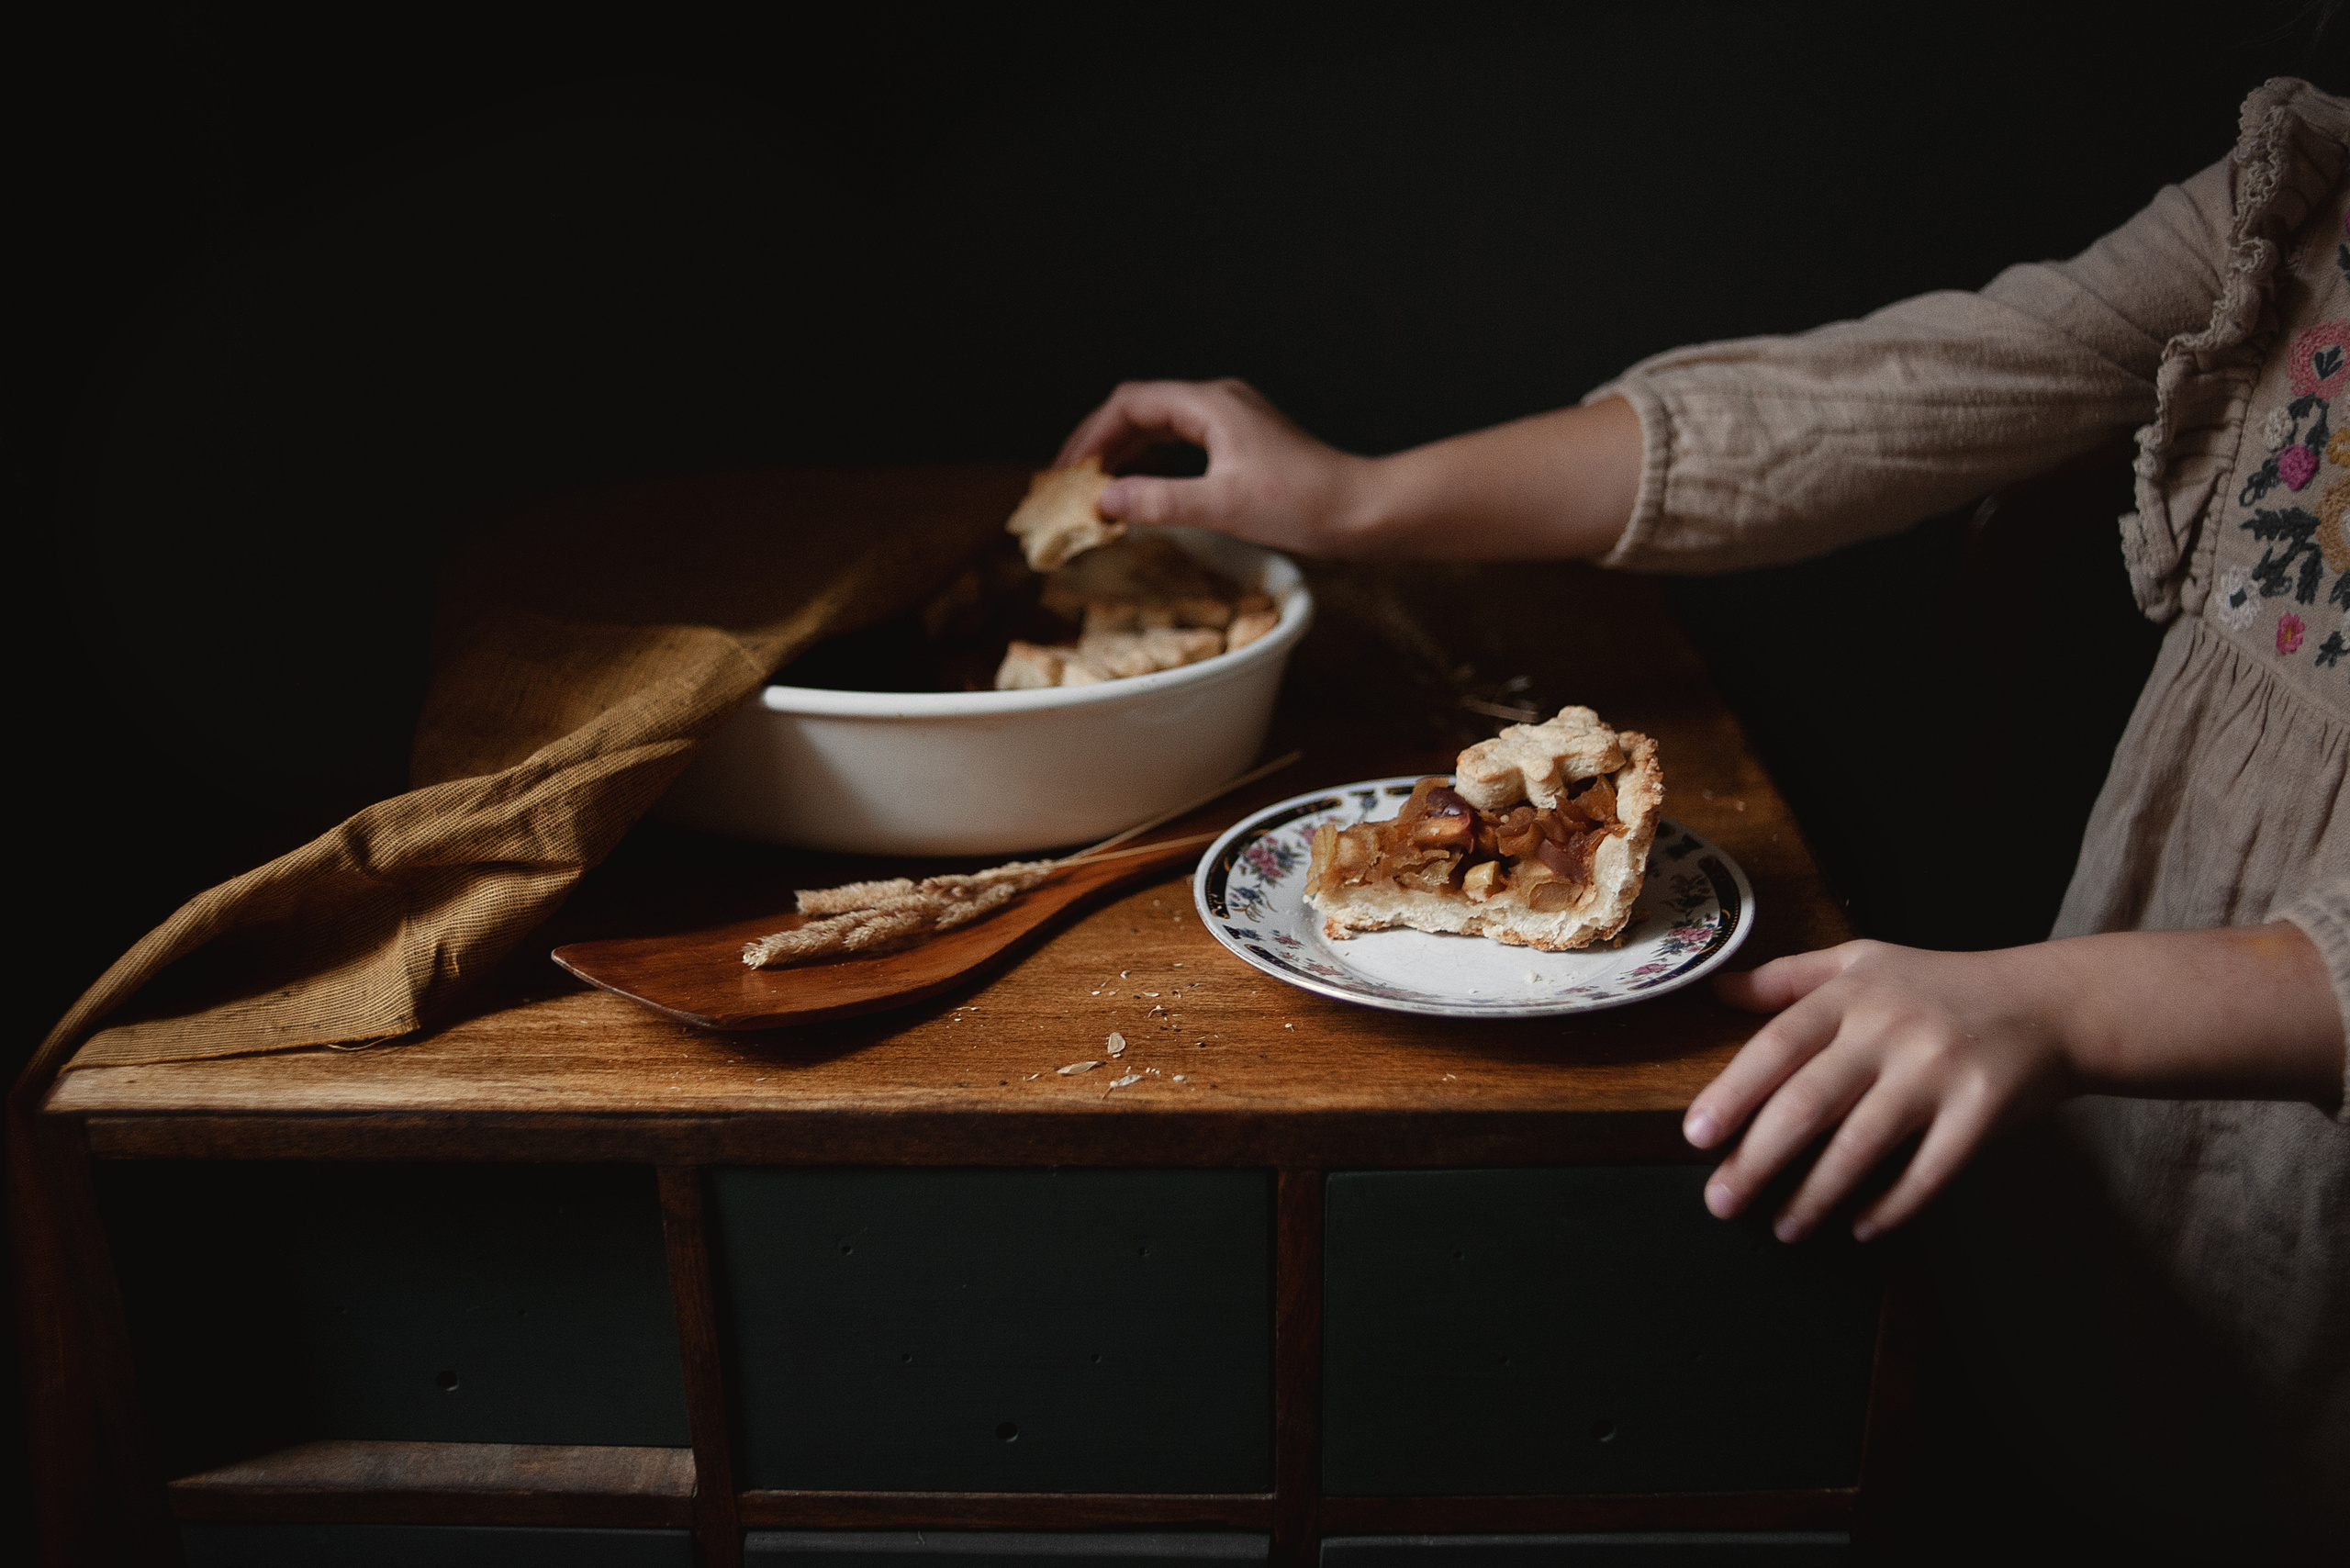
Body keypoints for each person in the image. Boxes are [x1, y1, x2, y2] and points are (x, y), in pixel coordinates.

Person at [1056, 77, 2348, 1541]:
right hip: (2105, 1136)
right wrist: (1357, 497)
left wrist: (2070, 1012)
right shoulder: (2302, 200)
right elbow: (1877, 400)